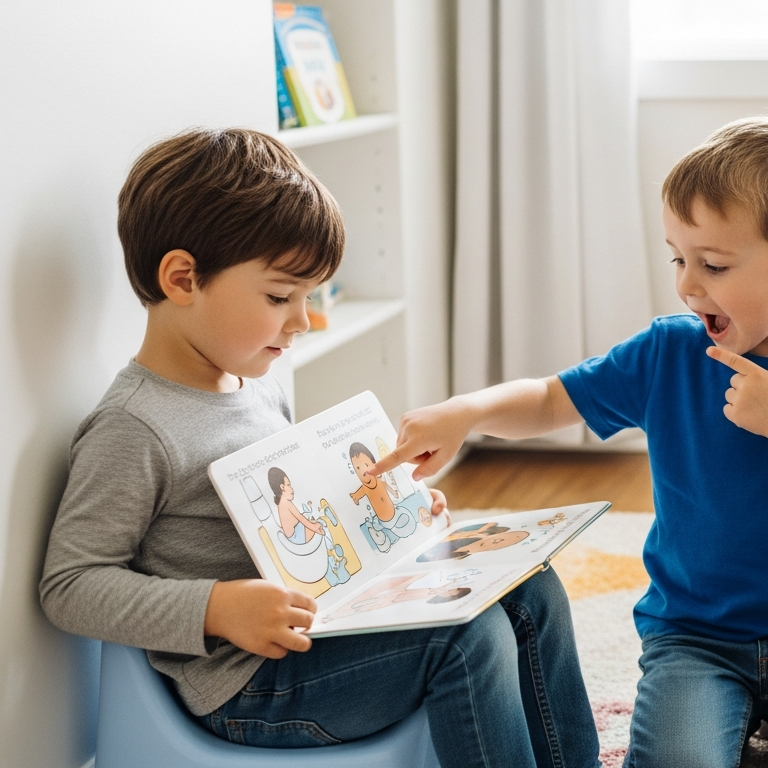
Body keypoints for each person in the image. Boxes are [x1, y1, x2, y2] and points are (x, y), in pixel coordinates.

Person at [38, 127, 599, 768]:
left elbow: (303, 518)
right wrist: (216, 608)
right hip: (250, 686)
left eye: (309, 297)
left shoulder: (255, 385)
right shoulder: (133, 428)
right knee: (464, 639)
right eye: (280, 297)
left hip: (324, 627)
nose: (302, 321)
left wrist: (399, 521)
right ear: (182, 278)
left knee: (531, 588)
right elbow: (69, 584)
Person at [369, 116, 768, 768]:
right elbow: (552, 398)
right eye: (679, 258)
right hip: (693, 638)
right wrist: (467, 412)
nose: (687, 285)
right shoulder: (668, 351)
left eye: (712, 264)